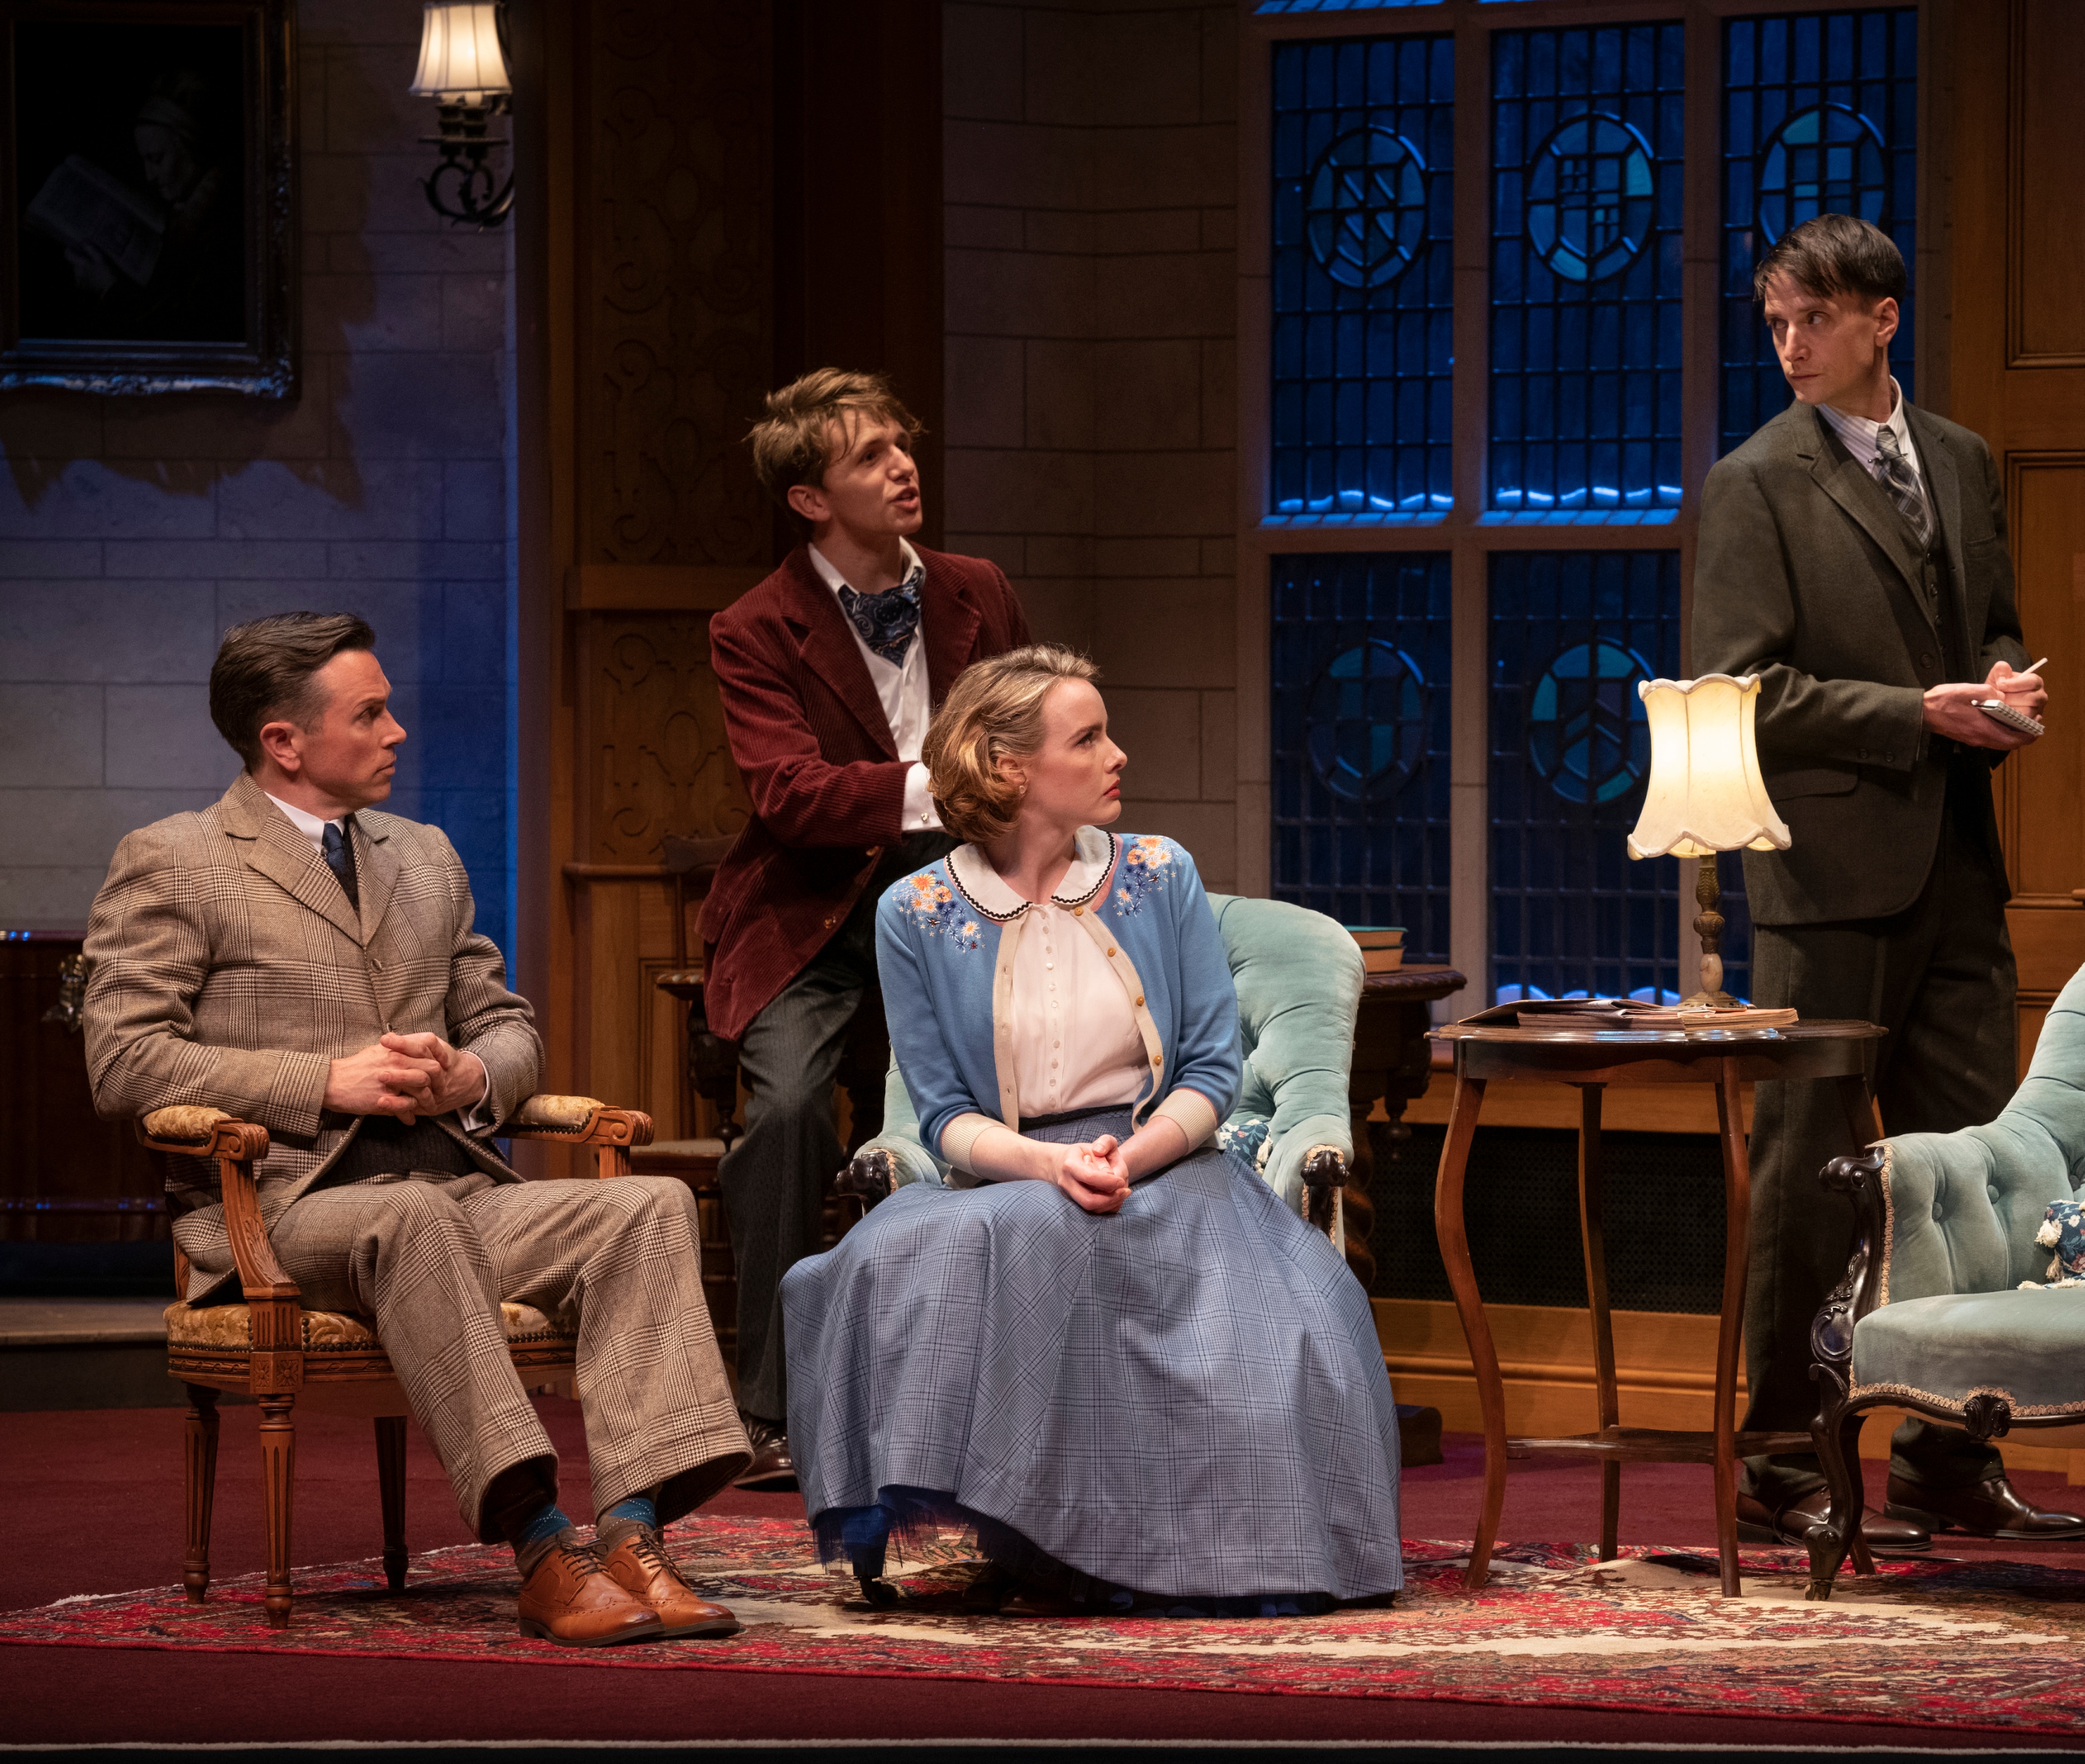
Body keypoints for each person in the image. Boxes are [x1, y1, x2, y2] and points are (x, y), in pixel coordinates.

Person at [84, 613, 749, 1646]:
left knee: (647, 1204)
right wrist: (326, 1081)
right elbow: (124, 1060)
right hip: (285, 1210)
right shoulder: (176, 860)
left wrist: (471, 1073)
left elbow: (506, 1024)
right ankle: (542, 1544)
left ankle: (632, 1533)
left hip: (451, 1188)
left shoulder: (425, 855)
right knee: (411, 1220)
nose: (397, 731)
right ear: (284, 741)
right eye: (371, 713)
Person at [780, 646, 1402, 1613]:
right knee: (874, 1264)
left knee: (1292, 1325)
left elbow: (1211, 1071)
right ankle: (1027, 1527)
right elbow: (942, 1111)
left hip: (1168, 1163)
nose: (1118, 754)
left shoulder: (1160, 873)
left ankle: (1161, 1551)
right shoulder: (916, 911)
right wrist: (1047, 1162)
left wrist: (1126, 1156)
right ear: (1008, 767)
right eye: (1088, 738)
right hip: (1010, 1169)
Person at [1691, 214, 2085, 1554]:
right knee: (1812, 1179)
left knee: (1974, 1169)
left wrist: (2005, 679)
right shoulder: (1756, 481)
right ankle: (1777, 1458)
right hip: (1826, 879)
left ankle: (1947, 1451)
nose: (1790, 345)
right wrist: (1913, 713)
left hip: (1958, 864)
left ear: (1883, 319)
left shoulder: (1963, 459)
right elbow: (1740, 690)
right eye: (1775, 322)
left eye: (1812, 318)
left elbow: (1990, 619)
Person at [705, 369, 1031, 1486]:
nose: (903, 467)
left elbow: (1038, 735)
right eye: (869, 456)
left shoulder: (978, 590)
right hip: (817, 910)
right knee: (788, 1110)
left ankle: (996, 1395)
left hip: (967, 900)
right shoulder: (754, 625)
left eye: (902, 443)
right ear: (810, 499)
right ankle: (772, 1405)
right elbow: (789, 795)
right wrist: (952, 784)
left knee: (1017, 1103)